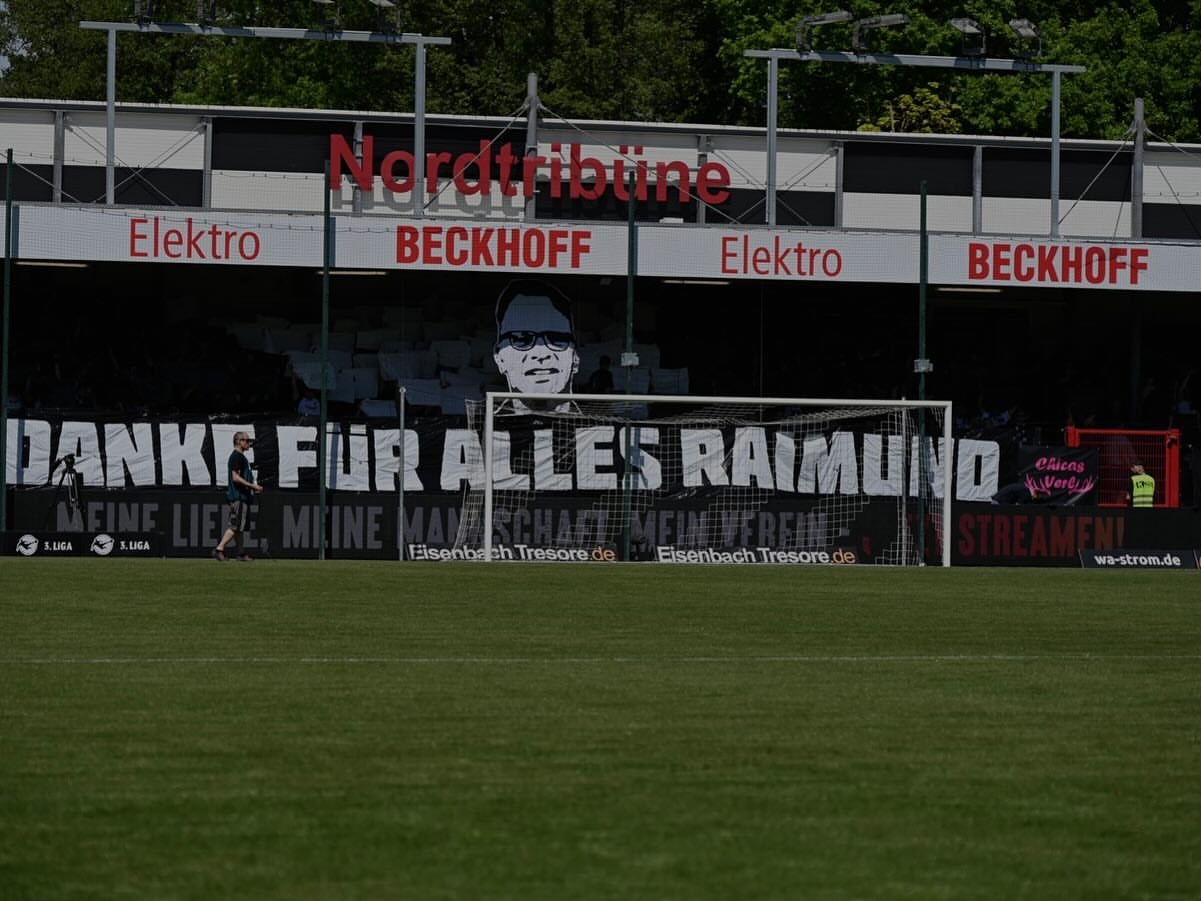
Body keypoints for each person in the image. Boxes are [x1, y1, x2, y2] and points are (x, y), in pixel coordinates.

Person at [492, 279, 579, 410]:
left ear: (575, 358)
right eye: (521, 339)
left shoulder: (597, 429)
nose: (541, 355)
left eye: (556, 338)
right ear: (499, 358)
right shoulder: (490, 427)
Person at [213, 431, 264, 561]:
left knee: (240, 528)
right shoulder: (237, 457)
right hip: (239, 497)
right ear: (238, 441)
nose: (249, 443)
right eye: (246, 440)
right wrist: (253, 486)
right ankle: (219, 549)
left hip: (243, 497)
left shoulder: (241, 457)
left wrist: (251, 489)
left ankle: (240, 553)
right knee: (235, 526)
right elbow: (235, 478)